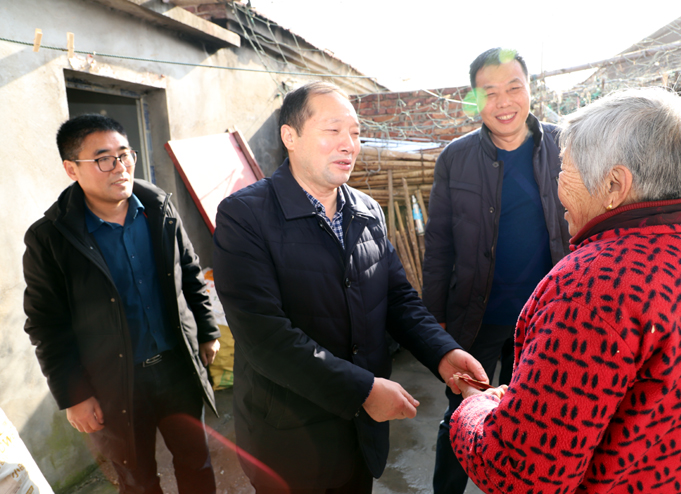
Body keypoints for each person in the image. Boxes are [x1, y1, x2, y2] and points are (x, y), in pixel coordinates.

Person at [450, 87, 681, 493]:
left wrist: (474, 406)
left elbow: (520, 474)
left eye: (565, 168)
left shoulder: (594, 288)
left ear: (614, 185)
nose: (557, 186)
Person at [212, 81, 487, 494]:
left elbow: (397, 298)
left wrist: (443, 353)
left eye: (355, 133)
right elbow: (265, 336)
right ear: (290, 136)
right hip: (289, 439)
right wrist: (364, 390)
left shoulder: (367, 210)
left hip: (361, 436)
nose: (349, 144)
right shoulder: (245, 216)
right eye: (333, 130)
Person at [23, 114, 221, 494]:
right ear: (71, 169)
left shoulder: (159, 207)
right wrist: (74, 394)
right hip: (113, 383)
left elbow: (189, 271)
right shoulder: (51, 238)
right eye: (103, 158)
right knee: (137, 481)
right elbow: (46, 325)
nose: (120, 166)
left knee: (196, 463)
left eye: (125, 154)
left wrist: (207, 330)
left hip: (177, 367)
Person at [422, 47, 571, 493]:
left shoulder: (566, 146)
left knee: (535, 418)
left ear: (530, 90)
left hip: (546, 318)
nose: (504, 102)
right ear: (474, 100)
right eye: (489, 92)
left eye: (514, 88)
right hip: (478, 316)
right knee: (460, 413)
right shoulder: (456, 158)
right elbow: (439, 243)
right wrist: (435, 319)